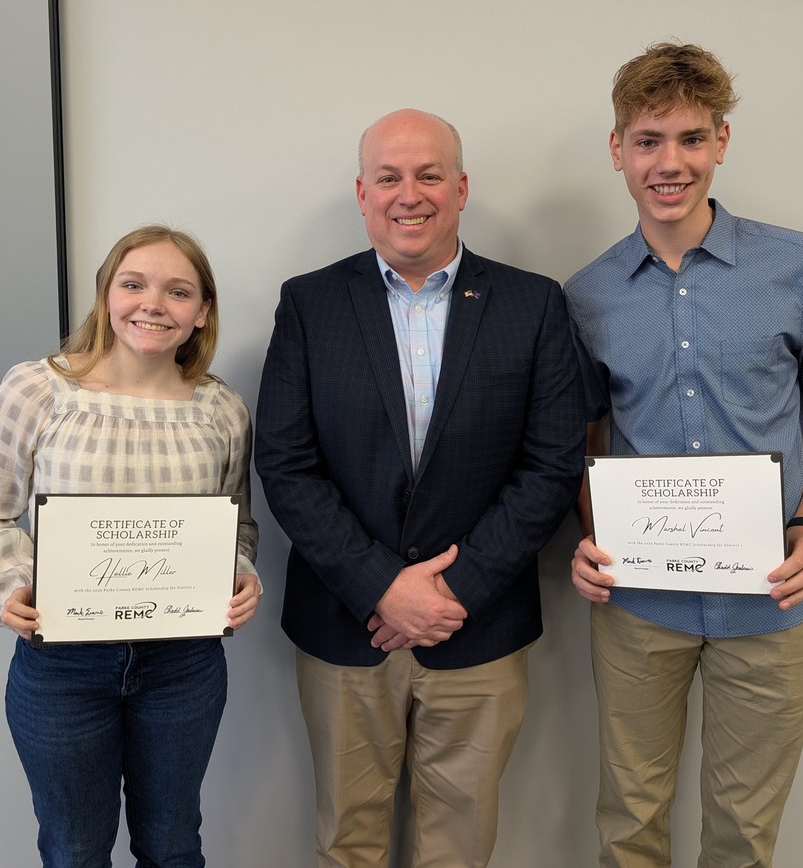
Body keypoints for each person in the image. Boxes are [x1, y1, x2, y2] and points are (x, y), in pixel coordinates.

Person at [564, 43, 803, 867]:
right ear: (618, 150)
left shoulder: (801, 266)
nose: (671, 164)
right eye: (649, 141)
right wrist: (592, 539)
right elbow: (589, 439)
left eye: (692, 139)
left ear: (723, 142)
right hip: (639, 607)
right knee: (628, 823)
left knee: (744, 834)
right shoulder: (587, 294)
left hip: (774, 601)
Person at [255, 108, 587, 867]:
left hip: (477, 627)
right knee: (348, 842)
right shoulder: (309, 304)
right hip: (346, 629)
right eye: (390, 177)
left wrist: (454, 590)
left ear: (461, 187)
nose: (411, 194)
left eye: (430, 175)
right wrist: (381, 587)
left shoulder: (533, 305)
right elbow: (286, 462)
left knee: (460, 847)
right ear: (362, 193)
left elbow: (552, 464)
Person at [0, 225, 261, 867]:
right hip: (62, 667)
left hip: (184, 666)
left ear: (202, 311)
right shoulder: (35, 390)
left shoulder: (222, 410)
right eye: (134, 284)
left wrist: (238, 573)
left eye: (179, 291)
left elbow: (236, 526)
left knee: (173, 847)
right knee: (74, 850)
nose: (153, 304)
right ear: (106, 295)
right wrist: (9, 586)